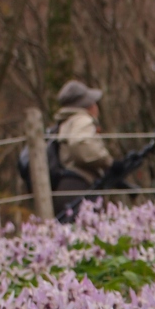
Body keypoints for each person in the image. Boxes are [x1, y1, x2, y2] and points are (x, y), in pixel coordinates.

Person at [52, 80, 113, 218]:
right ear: (88, 105)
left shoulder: (64, 124)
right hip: (81, 186)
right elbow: (80, 145)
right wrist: (108, 161)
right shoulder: (81, 120)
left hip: (64, 188)